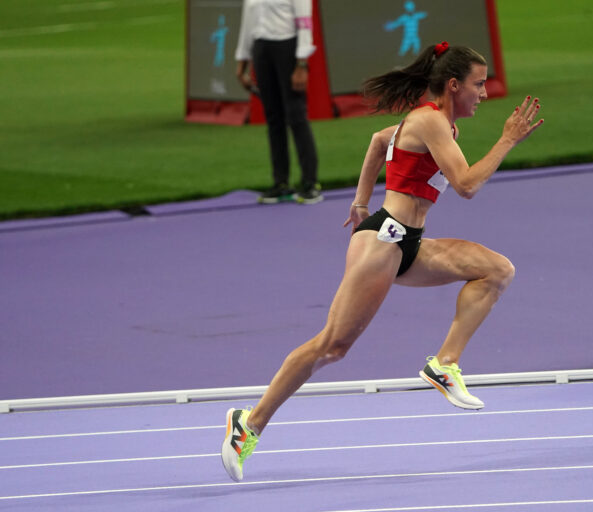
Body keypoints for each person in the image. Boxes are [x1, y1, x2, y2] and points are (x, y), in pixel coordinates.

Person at [221, 41, 544, 482]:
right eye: (478, 84)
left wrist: (359, 200)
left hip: (406, 240)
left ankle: (444, 364)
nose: (484, 93)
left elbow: (377, 141)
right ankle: (249, 423)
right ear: (454, 85)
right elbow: (467, 185)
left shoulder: (436, 124)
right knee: (332, 346)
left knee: (496, 269)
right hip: (384, 241)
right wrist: (508, 139)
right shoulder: (430, 120)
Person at [235, 0, 322, 204]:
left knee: (296, 115)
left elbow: (305, 23)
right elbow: (248, 24)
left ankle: (310, 183)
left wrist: (302, 63)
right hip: (261, 48)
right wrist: (242, 62)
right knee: (273, 118)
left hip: (287, 48)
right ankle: (281, 183)